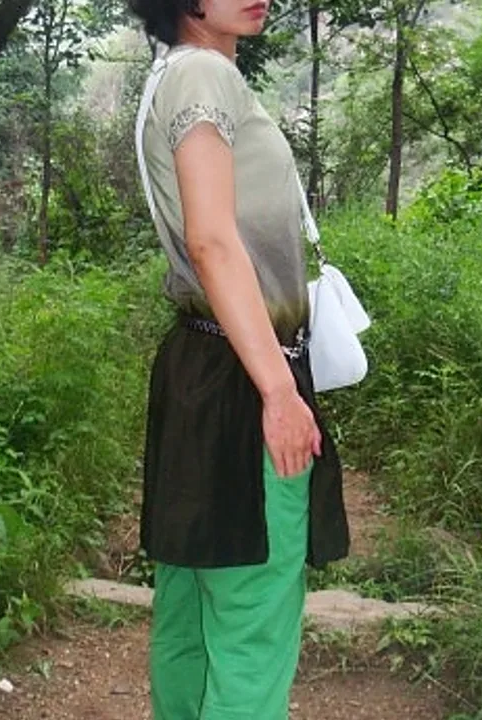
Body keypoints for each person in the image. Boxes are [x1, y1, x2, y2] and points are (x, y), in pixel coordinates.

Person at [128, 0, 350, 717]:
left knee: (192, 611)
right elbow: (212, 240)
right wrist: (280, 393)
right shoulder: (203, 76)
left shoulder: (173, 74)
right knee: (253, 616)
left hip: (200, 364)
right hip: (246, 374)